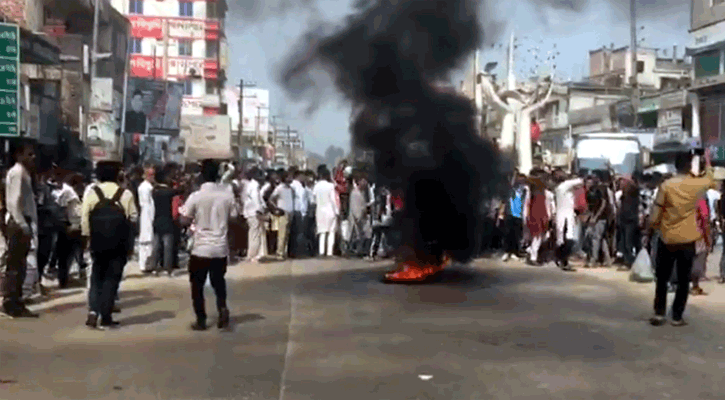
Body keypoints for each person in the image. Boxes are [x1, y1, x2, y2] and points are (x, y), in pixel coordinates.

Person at [648, 149, 717, 327]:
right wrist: (707, 160)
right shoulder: (695, 184)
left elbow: (656, 213)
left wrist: (652, 227)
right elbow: (710, 179)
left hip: (667, 238)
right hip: (688, 239)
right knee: (684, 280)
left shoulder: (666, 186)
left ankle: (659, 313)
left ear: (676, 165)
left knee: (662, 278)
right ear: (689, 166)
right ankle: (677, 316)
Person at [179, 159, 238, 331]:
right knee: (218, 282)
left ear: (201, 175)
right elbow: (234, 217)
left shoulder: (196, 196)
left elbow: (184, 219)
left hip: (200, 248)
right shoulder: (227, 195)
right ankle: (222, 308)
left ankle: (201, 319)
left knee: (197, 285)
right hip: (220, 247)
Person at [81, 161, 137, 329]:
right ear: (117, 175)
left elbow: (84, 219)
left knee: (96, 276)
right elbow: (133, 219)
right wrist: (130, 243)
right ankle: (106, 316)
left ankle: (93, 312)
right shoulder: (125, 194)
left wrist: (87, 239)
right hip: (119, 243)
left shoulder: (92, 193)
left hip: (97, 242)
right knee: (112, 278)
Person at [1, 141, 39, 318]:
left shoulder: (22, 173)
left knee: (19, 265)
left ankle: (15, 301)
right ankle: (11, 303)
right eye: (29, 154)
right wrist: (23, 225)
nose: (33, 157)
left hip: (20, 221)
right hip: (18, 223)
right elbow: (13, 202)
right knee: (16, 266)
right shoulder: (18, 172)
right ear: (18, 155)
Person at [313, 167, 339, 257]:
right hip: (330, 211)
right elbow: (333, 200)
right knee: (331, 232)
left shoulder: (316, 186)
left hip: (319, 211)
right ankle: (329, 252)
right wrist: (337, 211)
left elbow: (314, 200)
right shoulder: (330, 186)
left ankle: (321, 251)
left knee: (322, 232)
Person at [268, 171, 294, 260]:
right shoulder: (279, 188)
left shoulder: (290, 188)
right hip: (283, 213)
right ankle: (279, 253)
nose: (290, 179)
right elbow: (271, 199)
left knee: (287, 235)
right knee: (282, 235)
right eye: (289, 177)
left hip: (290, 213)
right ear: (285, 178)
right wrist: (276, 208)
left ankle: (284, 252)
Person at [243, 168, 267, 263]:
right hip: (254, 212)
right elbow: (256, 199)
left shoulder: (249, 185)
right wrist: (259, 210)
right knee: (255, 235)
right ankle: (254, 255)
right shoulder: (255, 185)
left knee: (252, 234)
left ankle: (251, 254)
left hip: (249, 212)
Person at [138, 166, 155, 273]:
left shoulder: (148, 186)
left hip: (148, 214)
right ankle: (144, 264)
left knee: (148, 240)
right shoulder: (145, 187)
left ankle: (147, 264)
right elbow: (146, 204)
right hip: (147, 214)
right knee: (146, 240)